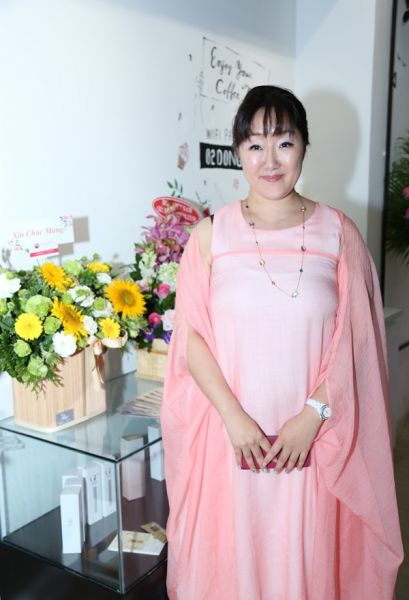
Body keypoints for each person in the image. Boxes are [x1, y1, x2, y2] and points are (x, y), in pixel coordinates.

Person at [160, 85, 403, 599]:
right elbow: (193, 339)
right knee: (233, 566)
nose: (269, 161)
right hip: (231, 442)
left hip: (311, 442)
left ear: (304, 147)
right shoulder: (209, 236)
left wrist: (312, 417)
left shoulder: (339, 233)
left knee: (303, 565)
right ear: (237, 152)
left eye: (284, 143)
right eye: (255, 145)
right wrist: (234, 418)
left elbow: (357, 343)